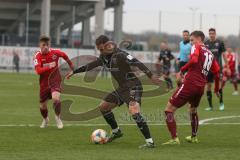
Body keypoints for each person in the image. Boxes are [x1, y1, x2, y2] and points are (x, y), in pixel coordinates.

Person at [67, 35, 161, 148]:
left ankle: (150, 142)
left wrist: (150, 76)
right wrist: (75, 71)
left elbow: (137, 62)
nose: (100, 51)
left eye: (101, 48)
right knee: (103, 107)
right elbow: (91, 65)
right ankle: (116, 131)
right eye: (99, 49)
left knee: (134, 110)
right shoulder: (103, 57)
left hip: (133, 86)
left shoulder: (120, 54)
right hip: (122, 88)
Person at [162, 31, 220, 145]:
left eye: (192, 40)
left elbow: (193, 60)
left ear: (198, 39)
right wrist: (216, 89)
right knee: (192, 110)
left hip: (190, 84)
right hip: (200, 87)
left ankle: (174, 138)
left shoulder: (196, 46)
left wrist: (182, 70)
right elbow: (217, 73)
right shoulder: (210, 54)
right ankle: (194, 137)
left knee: (168, 110)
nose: (191, 42)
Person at [33, 36, 74, 129]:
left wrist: (72, 67)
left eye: (47, 45)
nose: (46, 47)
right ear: (40, 45)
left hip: (55, 80)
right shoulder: (37, 56)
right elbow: (38, 71)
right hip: (44, 83)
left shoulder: (55, 52)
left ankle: (58, 118)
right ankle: (45, 119)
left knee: (56, 98)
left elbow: (65, 56)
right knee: (43, 106)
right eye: (43, 45)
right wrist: (49, 66)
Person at [204, 28, 227, 111]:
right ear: (208, 34)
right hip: (208, 68)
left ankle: (221, 103)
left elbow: (224, 55)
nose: (211, 35)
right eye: (210, 33)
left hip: (218, 68)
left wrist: (227, 66)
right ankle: (210, 106)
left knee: (219, 86)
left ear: (215, 34)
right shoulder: (205, 43)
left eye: (213, 33)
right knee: (208, 86)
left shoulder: (220, 43)